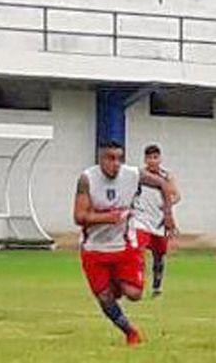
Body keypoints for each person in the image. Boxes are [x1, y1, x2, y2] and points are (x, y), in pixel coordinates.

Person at [74, 140, 177, 345]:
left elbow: (163, 184)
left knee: (134, 294)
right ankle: (130, 332)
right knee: (104, 298)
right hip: (94, 249)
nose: (116, 163)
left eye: (119, 158)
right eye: (110, 158)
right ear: (100, 159)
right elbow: (79, 216)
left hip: (123, 245)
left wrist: (168, 214)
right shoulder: (87, 179)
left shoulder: (132, 174)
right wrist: (107, 218)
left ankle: (119, 280)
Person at [133, 144, 181, 297]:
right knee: (137, 250)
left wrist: (167, 206)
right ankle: (136, 283)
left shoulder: (166, 176)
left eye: (155, 157)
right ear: (145, 160)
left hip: (159, 222)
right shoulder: (139, 175)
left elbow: (176, 196)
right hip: (141, 219)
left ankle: (157, 284)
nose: (152, 161)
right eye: (149, 158)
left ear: (160, 159)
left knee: (159, 255)